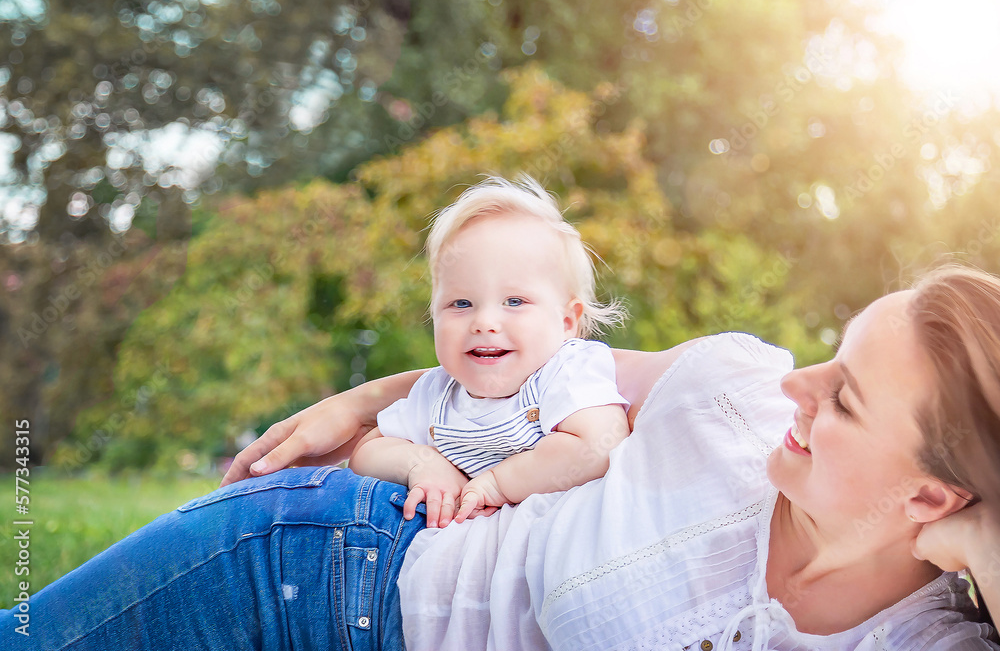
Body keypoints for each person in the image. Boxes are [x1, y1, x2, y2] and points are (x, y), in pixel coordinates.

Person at [5, 266, 1000, 650]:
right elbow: (525, 369)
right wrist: (351, 406)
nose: (800, 384)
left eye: (846, 396)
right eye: (831, 352)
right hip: (316, 566)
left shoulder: (923, 643)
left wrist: (980, 534)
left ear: (932, 491)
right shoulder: (733, 389)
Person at [348, 176, 630, 528]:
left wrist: (497, 483)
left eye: (514, 301)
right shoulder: (437, 394)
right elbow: (366, 453)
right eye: (461, 303)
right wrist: (422, 463)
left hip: (552, 551)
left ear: (567, 322)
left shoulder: (565, 370)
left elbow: (598, 445)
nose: (484, 322)